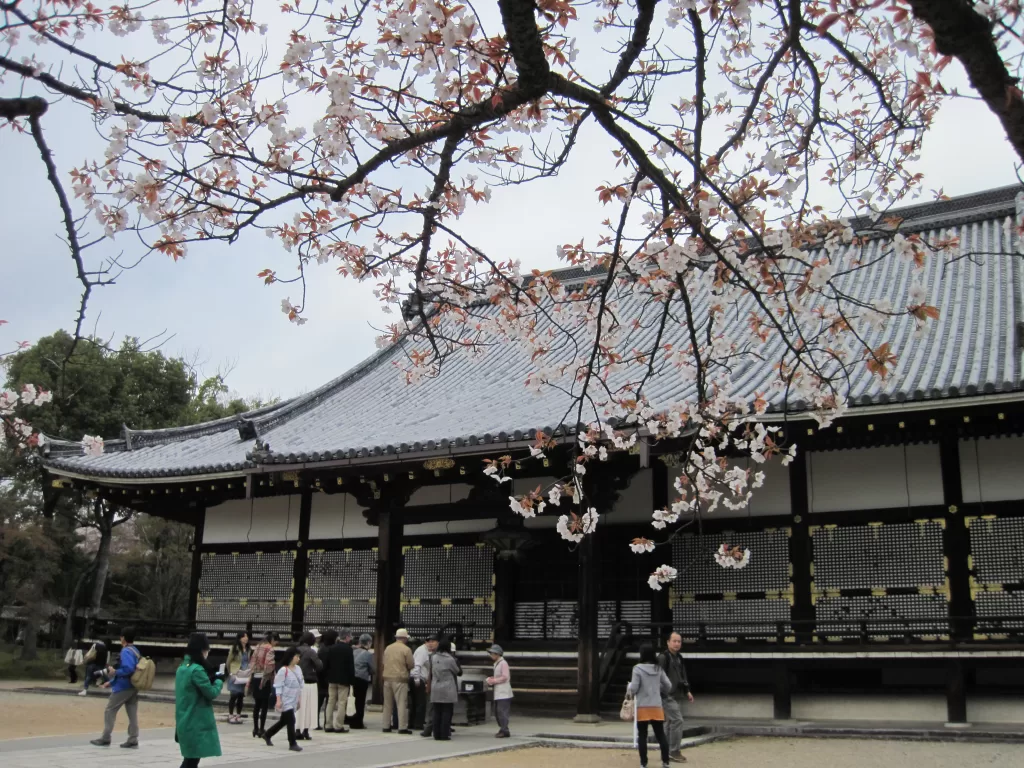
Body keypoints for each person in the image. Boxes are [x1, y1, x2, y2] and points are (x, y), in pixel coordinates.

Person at [174, 632, 226, 768]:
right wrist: (219, 681)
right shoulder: (197, 670)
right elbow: (211, 693)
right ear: (202, 650)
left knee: (191, 759)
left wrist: (210, 679)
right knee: (191, 761)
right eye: (207, 649)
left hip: (184, 719)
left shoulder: (182, 668)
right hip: (195, 722)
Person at [90, 627, 141, 749]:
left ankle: (106, 737)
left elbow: (128, 669)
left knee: (110, 710)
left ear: (123, 638)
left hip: (123, 686)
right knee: (132, 712)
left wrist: (115, 672)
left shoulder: (125, 651)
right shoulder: (136, 650)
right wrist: (111, 682)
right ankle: (133, 738)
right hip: (133, 685)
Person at [627, 645, 672, 768]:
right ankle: (666, 761)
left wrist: (629, 687)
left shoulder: (637, 669)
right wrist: (659, 690)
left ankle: (644, 763)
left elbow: (634, 688)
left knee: (642, 735)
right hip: (656, 705)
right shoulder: (658, 669)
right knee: (660, 734)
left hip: (642, 706)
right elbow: (668, 685)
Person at [658, 632, 694, 763]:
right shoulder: (663, 657)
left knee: (669, 723)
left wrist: (687, 691)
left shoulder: (679, 657)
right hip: (667, 695)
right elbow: (658, 676)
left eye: (679, 641)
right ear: (668, 642)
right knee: (678, 720)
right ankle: (674, 750)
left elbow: (682, 676)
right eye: (674, 641)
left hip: (677, 693)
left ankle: (666, 750)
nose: (677, 644)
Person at [263, 646, 304, 752]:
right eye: (297, 656)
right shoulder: (283, 670)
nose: (298, 659)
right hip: (285, 698)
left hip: (294, 697)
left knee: (283, 721)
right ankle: (292, 743)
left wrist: (299, 699)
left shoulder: (298, 669)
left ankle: (267, 734)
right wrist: (278, 700)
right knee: (291, 720)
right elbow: (278, 686)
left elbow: (300, 685)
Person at [321, 627, 355, 733]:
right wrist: (352, 681)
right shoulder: (348, 650)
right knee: (341, 702)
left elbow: (326, 665)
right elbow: (351, 667)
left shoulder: (331, 648)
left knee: (331, 701)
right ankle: (338, 725)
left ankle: (328, 724)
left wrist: (327, 677)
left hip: (332, 679)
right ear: (347, 637)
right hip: (343, 680)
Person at [382, 628, 415, 734]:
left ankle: (386, 725)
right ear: (405, 638)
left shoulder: (388, 648)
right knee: (401, 704)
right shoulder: (406, 649)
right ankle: (402, 727)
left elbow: (383, 662)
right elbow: (411, 664)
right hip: (400, 679)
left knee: (387, 704)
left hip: (387, 678)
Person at [428, 639, 462, 741]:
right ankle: (444, 734)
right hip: (447, 687)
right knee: (446, 711)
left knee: (436, 711)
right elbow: (457, 671)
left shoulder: (433, 658)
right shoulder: (450, 659)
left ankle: (436, 734)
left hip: (435, 686)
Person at [248, 631, 278, 738]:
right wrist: (269, 675)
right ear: (272, 640)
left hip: (256, 676)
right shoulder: (269, 648)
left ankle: (255, 728)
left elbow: (251, 662)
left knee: (257, 704)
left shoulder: (258, 646)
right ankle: (261, 728)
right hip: (264, 679)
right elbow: (269, 665)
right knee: (264, 704)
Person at [295, 630, 323, 740]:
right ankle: (306, 730)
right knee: (309, 707)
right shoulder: (311, 652)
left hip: (297, 681)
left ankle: (297, 729)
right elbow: (319, 666)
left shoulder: (296, 650)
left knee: (299, 708)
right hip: (309, 681)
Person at [485, 644, 513, 738]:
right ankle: (503, 728)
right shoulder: (498, 663)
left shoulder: (503, 663)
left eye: (492, 653)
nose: (491, 655)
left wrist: (493, 681)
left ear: (497, 654)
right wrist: (492, 679)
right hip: (499, 691)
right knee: (498, 712)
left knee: (502, 711)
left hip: (503, 692)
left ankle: (504, 729)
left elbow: (505, 677)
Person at [412, 634, 438, 734]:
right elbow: (417, 665)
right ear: (425, 642)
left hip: (422, 678)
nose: (430, 644)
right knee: (420, 703)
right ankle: (418, 724)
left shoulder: (429, 652)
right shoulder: (422, 651)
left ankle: (415, 723)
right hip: (418, 678)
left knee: (418, 703)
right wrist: (417, 679)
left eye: (432, 641)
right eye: (428, 641)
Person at [225, 631, 251, 724]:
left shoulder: (248, 649)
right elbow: (229, 661)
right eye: (244, 636)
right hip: (236, 672)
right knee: (234, 695)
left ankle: (238, 714)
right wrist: (230, 672)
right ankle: (230, 714)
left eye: (247, 636)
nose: (246, 638)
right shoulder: (235, 648)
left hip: (244, 673)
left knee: (241, 696)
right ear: (240, 638)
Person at [348, 633, 374, 729]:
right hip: (362, 679)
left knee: (352, 700)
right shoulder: (367, 654)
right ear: (368, 642)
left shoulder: (353, 651)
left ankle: (349, 718)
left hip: (352, 678)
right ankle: (358, 722)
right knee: (360, 701)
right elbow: (372, 668)